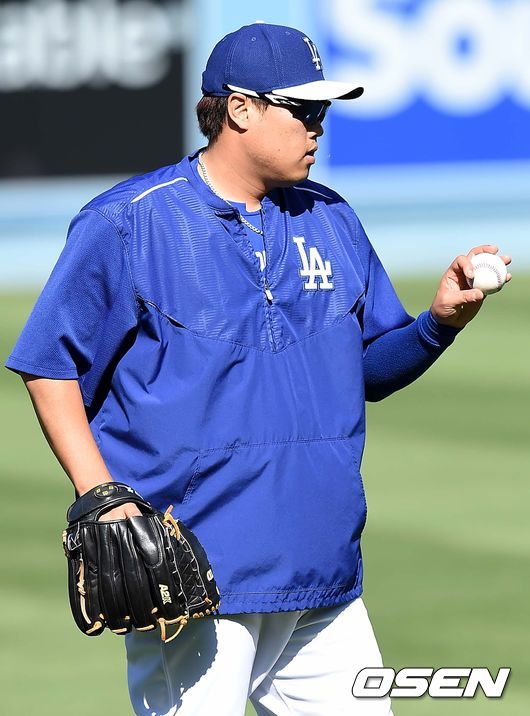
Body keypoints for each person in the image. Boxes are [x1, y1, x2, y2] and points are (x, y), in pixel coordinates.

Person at [6, 22, 511, 716]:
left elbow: (367, 371)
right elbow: (50, 363)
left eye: (324, 110)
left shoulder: (331, 218)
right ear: (240, 109)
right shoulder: (129, 222)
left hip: (322, 572)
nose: (318, 127)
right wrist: (102, 493)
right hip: (196, 574)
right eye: (304, 110)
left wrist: (438, 324)